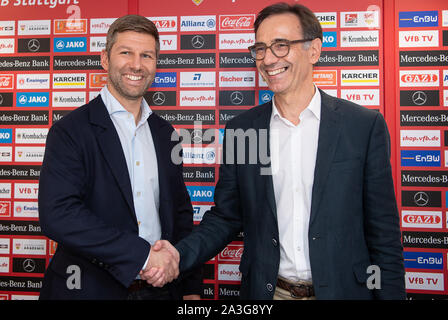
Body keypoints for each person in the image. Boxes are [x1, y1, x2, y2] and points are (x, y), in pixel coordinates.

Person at [144, 3, 405, 300]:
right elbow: (226, 217)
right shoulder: (243, 130)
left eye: (281, 46)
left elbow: (384, 236)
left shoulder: (362, 126)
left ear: (314, 50)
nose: (268, 59)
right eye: (260, 48)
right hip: (268, 293)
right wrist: (178, 255)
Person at [38, 14, 201, 300]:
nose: (136, 64)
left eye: (146, 55)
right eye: (126, 52)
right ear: (105, 59)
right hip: (90, 290)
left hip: (161, 292)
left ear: (155, 64)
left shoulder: (165, 134)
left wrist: (190, 289)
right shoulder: (70, 131)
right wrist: (142, 256)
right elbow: (58, 215)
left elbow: (180, 214)